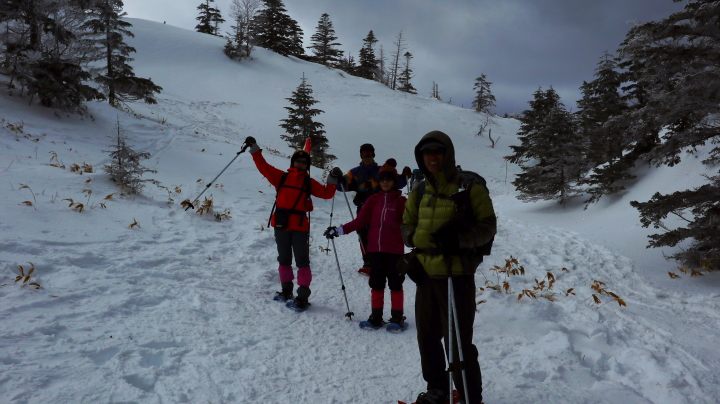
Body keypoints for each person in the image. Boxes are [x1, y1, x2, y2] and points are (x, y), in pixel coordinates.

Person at [401, 131, 496, 404]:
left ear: (448, 154)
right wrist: (415, 238)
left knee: (458, 344)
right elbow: (406, 225)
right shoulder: (419, 188)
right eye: (427, 153)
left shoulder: (469, 186)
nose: (432, 157)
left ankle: (469, 397)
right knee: (427, 339)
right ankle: (438, 391)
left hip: (457, 275)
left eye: (437, 152)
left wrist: (459, 239)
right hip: (426, 275)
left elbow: (488, 227)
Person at [244, 136, 343, 309]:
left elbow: (327, 194)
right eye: (298, 160)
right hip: (282, 225)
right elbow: (263, 167)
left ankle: (302, 297)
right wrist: (254, 149)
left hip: (299, 226)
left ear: (307, 165)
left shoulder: (308, 182)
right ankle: (286, 291)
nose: (300, 163)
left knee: (302, 261)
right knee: (284, 259)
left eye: (304, 162)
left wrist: (333, 178)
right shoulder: (281, 177)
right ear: (293, 162)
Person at [324, 159, 407, 328]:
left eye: (388, 180)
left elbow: (411, 224)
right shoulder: (373, 200)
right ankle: (376, 317)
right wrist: (339, 230)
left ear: (394, 182)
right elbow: (359, 221)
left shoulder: (402, 202)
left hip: (395, 251)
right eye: (382, 179)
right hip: (375, 250)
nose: (385, 182)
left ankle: (397, 318)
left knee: (395, 283)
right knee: (376, 282)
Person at [336, 144, 410, 275]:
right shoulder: (354, 172)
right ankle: (368, 262)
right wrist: (339, 180)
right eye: (364, 155)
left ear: (373, 155)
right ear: (361, 156)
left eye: (369, 154)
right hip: (363, 206)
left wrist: (404, 177)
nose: (367, 157)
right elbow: (341, 187)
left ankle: (384, 258)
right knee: (362, 234)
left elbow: (397, 183)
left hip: (380, 205)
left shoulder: (381, 170)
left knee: (382, 231)